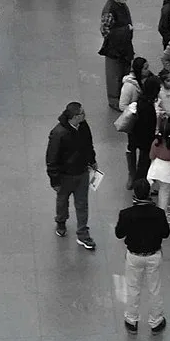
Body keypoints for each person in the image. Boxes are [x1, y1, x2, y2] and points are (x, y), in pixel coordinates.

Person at [115, 178, 170, 332]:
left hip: (134, 256)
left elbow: (119, 234)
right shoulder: (159, 213)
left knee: (133, 288)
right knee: (154, 289)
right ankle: (156, 321)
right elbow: (166, 233)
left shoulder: (126, 214)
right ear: (149, 193)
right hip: (153, 255)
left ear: (135, 194)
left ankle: (131, 320)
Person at [46, 101, 97, 249]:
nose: (85, 115)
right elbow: (51, 158)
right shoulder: (58, 133)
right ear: (75, 116)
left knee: (82, 204)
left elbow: (88, 145)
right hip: (65, 176)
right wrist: (55, 180)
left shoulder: (83, 126)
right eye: (82, 113)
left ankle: (83, 233)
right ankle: (61, 221)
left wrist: (92, 160)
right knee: (62, 201)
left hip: (82, 172)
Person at [99, 0, 135, 108]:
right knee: (114, 75)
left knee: (124, 71)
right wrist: (125, 30)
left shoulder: (120, 5)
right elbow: (105, 31)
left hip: (124, 46)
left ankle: (123, 98)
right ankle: (115, 101)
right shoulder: (110, 10)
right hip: (114, 49)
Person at [146, 117, 170, 219]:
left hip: (156, 170)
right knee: (165, 193)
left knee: (161, 189)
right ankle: (163, 214)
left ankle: (163, 207)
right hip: (167, 173)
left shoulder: (155, 142)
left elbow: (151, 156)